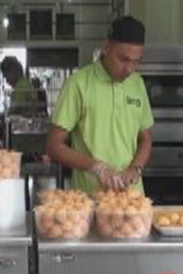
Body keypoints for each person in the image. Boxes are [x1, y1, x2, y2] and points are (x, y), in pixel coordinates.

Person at [45, 16, 154, 194]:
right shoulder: (78, 84)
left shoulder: (137, 84)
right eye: (123, 59)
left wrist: (136, 168)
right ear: (106, 47)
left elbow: (146, 139)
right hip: (90, 200)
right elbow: (53, 146)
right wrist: (96, 167)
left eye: (136, 61)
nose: (129, 69)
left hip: (132, 202)